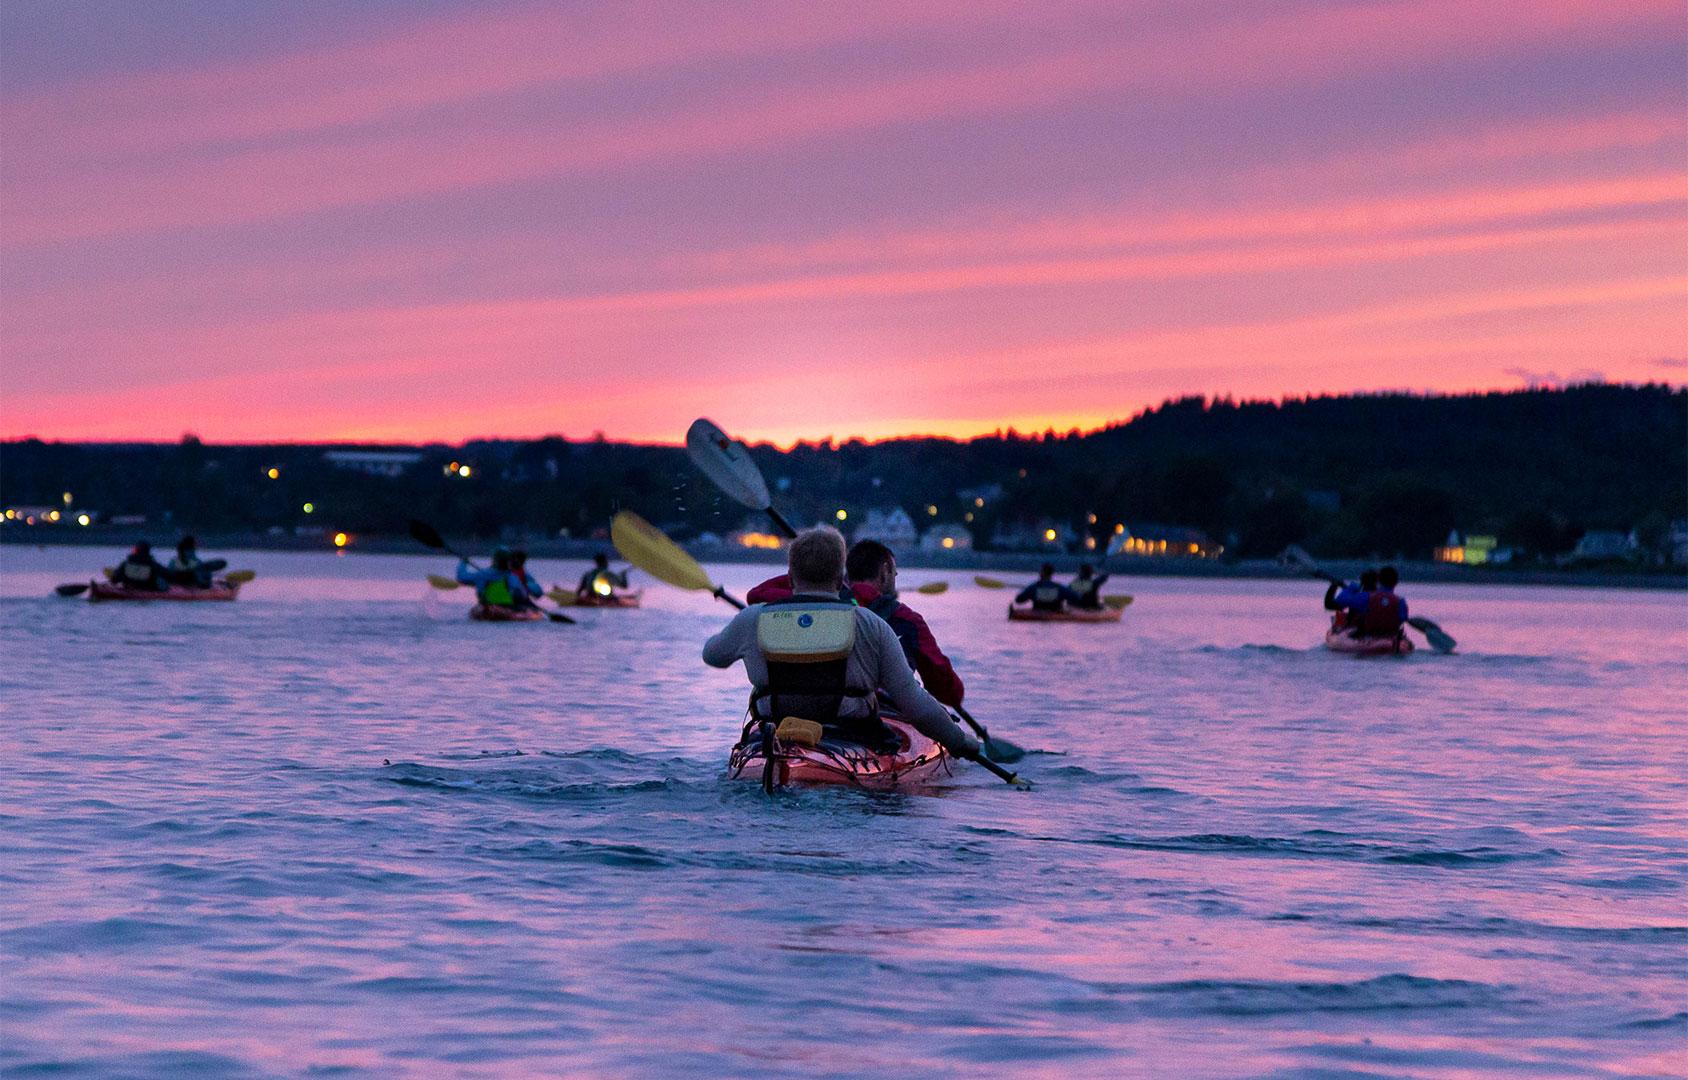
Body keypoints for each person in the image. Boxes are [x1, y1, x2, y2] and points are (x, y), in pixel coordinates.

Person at [703, 526, 980, 759]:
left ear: (789, 577)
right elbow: (912, 701)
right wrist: (959, 742)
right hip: (852, 732)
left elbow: (712, 655)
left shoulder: (753, 618)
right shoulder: (872, 624)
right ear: (840, 578)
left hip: (776, 728)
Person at [744, 539, 966, 708]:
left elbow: (756, 595)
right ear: (886, 570)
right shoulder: (908, 619)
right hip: (878, 711)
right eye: (894, 573)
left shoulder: (814, 603)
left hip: (811, 704)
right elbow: (947, 691)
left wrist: (808, 576)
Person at [456, 547, 542, 611]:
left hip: (487, 605)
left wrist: (463, 562)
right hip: (507, 607)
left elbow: (462, 577)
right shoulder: (512, 577)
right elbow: (531, 593)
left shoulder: (483, 574)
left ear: (494, 560)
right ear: (508, 561)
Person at [1359, 566, 1409, 638]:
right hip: (1391, 635)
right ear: (1396, 582)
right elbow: (1403, 618)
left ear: (1378, 581)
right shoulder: (1400, 601)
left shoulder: (1367, 597)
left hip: (1370, 635)